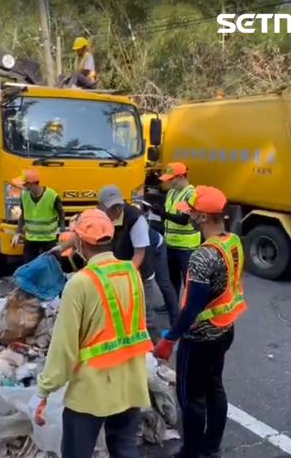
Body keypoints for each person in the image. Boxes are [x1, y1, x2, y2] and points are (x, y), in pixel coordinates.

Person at [30, 209, 153, 458]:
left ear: (79, 241)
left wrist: (44, 391)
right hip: (130, 380)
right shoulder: (132, 273)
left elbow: (64, 347)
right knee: (125, 449)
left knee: (77, 452)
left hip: (92, 387)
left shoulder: (80, 283)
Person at [152, 186, 247, 458]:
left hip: (201, 337)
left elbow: (192, 307)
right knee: (214, 386)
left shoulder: (202, 256)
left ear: (203, 218)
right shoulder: (232, 241)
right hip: (225, 328)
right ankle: (212, 446)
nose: (189, 216)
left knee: (190, 398)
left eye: (192, 212)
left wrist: (170, 339)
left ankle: (192, 452)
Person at [97, 185, 178, 343]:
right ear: (100, 206)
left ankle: (161, 345)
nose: (116, 210)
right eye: (111, 207)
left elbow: (139, 255)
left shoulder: (136, 218)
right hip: (126, 258)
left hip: (151, 253)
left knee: (148, 304)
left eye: (118, 206)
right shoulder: (98, 216)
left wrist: (122, 277)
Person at [157, 162, 201, 298]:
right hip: (170, 243)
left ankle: (189, 309)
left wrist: (162, 214)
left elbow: (183, 220)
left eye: (171, 179)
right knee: (172, 278)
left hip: (186, 246)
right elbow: (168, 215)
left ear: (181, 177)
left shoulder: (191, 194)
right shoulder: (171, 193)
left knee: (188, 281)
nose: (169, 183)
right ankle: (172, 304)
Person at [12, 170, 65, 263]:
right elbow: (23, 215)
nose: (23, 187)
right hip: (31, 239)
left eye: (25, 184)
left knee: (52, 264)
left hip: (49, 239)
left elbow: (61, 212)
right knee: (29, 265)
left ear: (32, 184)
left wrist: (62, 230)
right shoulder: (24, 195)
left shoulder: (52, 195)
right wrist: (18, 232)